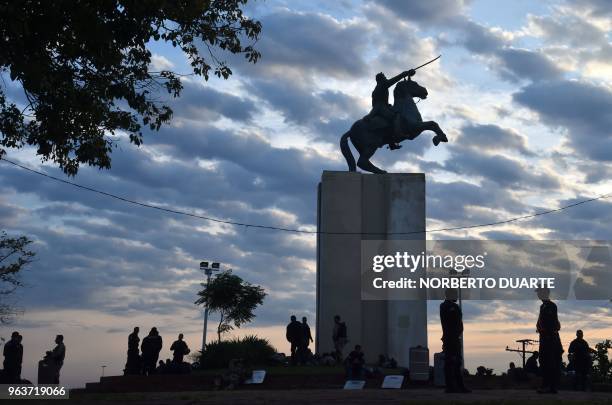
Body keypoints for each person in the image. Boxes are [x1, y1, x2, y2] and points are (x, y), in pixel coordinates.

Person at [364, 70, 416, 150]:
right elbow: (393, 80)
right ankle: (398, 134)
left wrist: (407, 75)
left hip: (380, 108)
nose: (386, 78)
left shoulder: (376, 89)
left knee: (392, 117)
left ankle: (391, 141)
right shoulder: (382, 85)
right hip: (381, 108)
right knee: (396, 115)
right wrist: (404, 74)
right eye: (384, 77)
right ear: (381, 79)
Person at [440, 288, 470, 393]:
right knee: (449, 362)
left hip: (455, 338)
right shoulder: (445, 306)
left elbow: (458, 322)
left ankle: (459, 386)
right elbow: (448, 324)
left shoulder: (454, 306)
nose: (456, 296)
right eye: (455, 294)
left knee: (457, 362)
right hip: (449, 338)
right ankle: (450, 387)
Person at [536, 286, 563, 394]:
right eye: (538, 292)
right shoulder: (543, 306)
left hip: (550, 338)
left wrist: (548, 334)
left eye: (540, 292)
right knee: (544, 361)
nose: (538, 294)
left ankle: (550, 386)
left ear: (545, 293)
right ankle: (549, 386)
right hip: (545, 338)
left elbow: (552, 324)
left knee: (550, 362)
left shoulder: (550, 306)